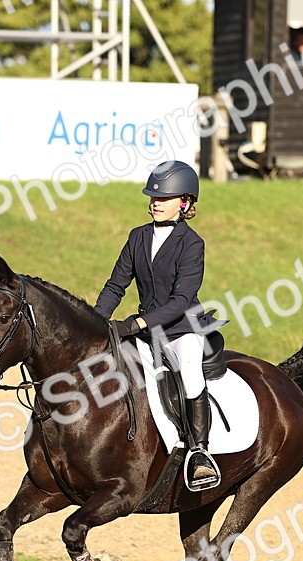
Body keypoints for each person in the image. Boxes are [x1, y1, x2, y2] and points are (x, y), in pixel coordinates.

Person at [95, 161, 225, 491]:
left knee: (191, 373)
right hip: (146, 331)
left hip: (183, 329)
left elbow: (181, 300)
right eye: (153, 196)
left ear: (184, 202)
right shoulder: (138, 236)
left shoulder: (192, 244)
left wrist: (136, 322)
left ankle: (199, 452)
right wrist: (95, 320)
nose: (155, 202)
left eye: (163, 198)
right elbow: (115, 285)